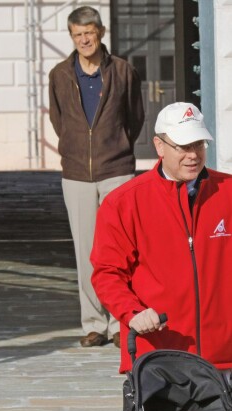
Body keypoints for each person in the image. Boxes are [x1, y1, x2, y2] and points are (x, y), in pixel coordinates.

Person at [91, 102, 232, 375]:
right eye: (183, 146)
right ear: (159, 146)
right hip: (160, 358)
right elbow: (107, 273)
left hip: (227, 357)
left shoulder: (228, 193)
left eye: (199, 144)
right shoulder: (124, 203)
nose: (193, 155)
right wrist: (132, 312)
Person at [48, 5, 144, 349]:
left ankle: (123, 321)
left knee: (121, 250)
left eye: (89, 33)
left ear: (100, 33)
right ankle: (94, 324)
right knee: (85, 250)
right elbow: (59, 121)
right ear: (72, 37)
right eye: (77, 35)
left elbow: (135, 118)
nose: (84, 40)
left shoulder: (123, 71)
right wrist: (76, 148)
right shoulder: (60, 74)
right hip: (76, 173)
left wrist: (115, 145)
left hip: (116, 170)